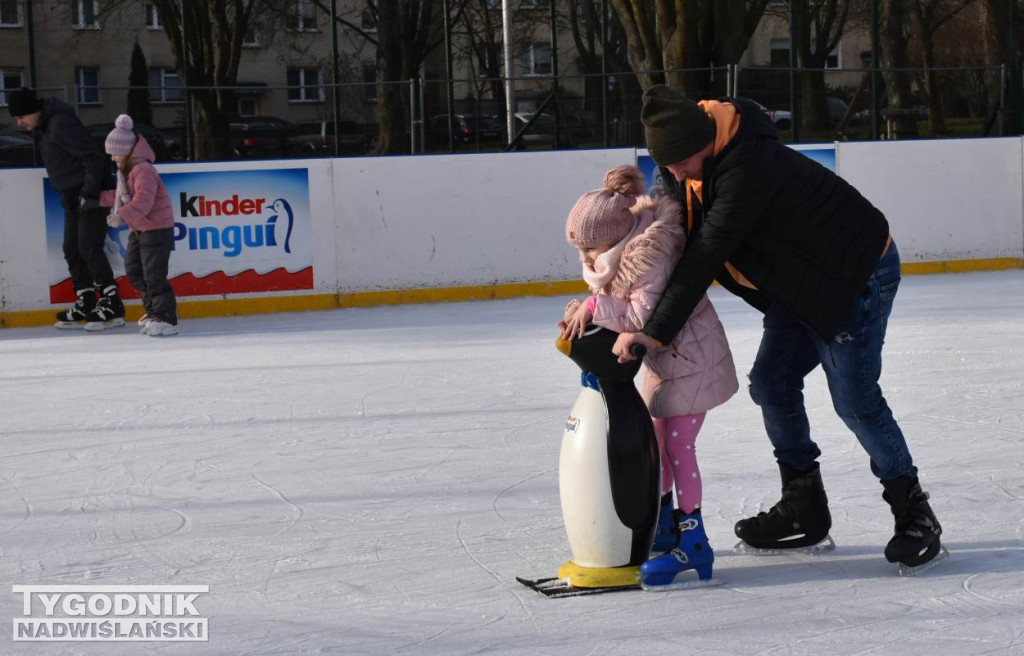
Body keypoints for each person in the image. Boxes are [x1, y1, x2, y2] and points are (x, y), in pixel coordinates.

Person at [611, 85, 944, 573]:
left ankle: (915, 513)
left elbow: (706, 251)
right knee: (772, 382)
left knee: (856, 399)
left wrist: (655, 332)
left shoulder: (749, 166)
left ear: (703, 141)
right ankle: (804, 505)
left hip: (856, 274)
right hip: (803, 283)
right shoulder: (689, 162)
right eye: (668, 164)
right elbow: (676, 237)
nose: (675, 174)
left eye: (681, 162)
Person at [559, 164, 738, 588]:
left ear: (616, 236)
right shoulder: (620, 249)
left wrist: (590, 309)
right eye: (581, 251)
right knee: (657, 444)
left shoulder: (649, 256)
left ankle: (693, 538)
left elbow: (640, 314)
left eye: (591, 249)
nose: (586, 260)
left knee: (678, 444)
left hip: (693, 359)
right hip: (668, 364)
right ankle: (662, 524)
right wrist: (584, 306)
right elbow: (614, 300)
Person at [8, 87, 125, 330]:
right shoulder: (45, 126)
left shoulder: (60, 123)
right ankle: (87, 300)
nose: (20, 123)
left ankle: (112, 302)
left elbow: (93, 157)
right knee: (71, 248)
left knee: (88, 247)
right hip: (72, 194)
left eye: (20, 117)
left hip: (89, 193)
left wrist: (89, 193)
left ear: (32, 110)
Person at [101, 115, 179, 337]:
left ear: (126, 151)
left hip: (156, 228)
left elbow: (144, 201)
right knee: (134, 270)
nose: (113, 158)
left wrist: (121, 216)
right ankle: (154, 311)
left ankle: (166, 318)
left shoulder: (143, 169)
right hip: (140, 229)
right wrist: (94, 199)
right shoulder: (126, 170)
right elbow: (119, 195)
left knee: (154, 275)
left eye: (115, 153)